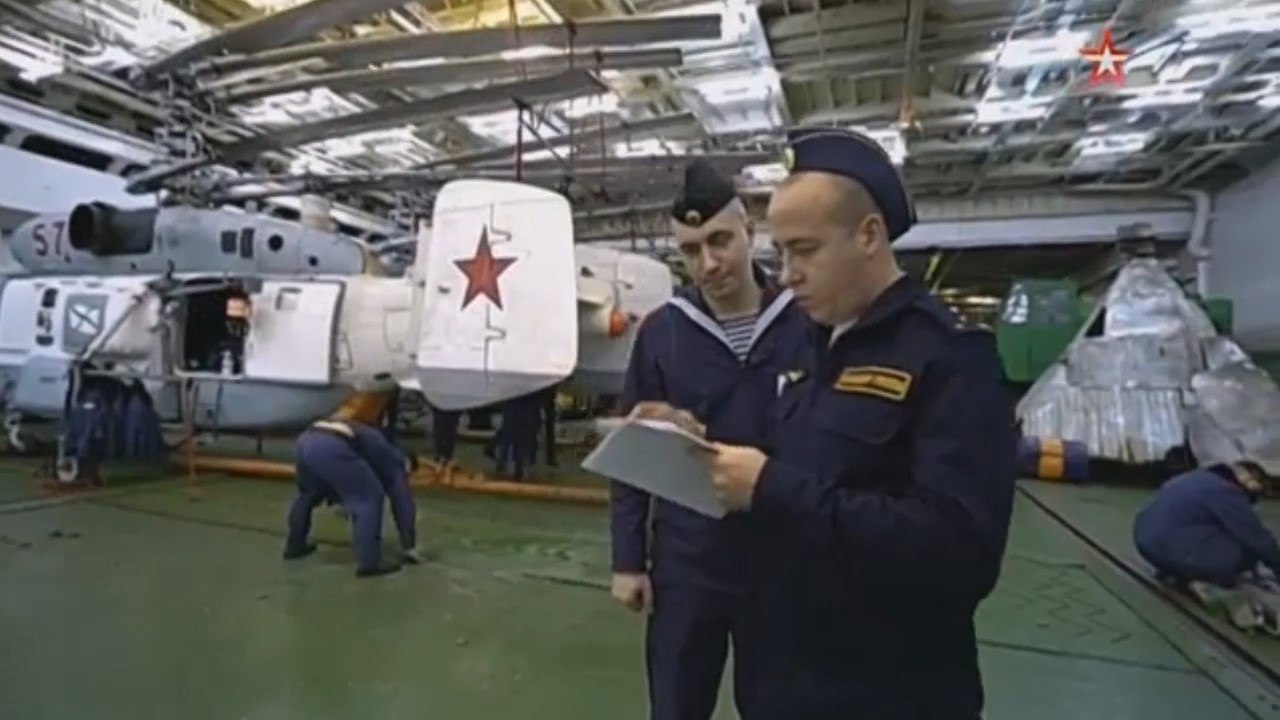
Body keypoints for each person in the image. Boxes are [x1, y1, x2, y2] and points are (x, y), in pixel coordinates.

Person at [691, 127, 1017, 719]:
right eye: (780, 252)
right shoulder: (805, 345)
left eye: (804, 250)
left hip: (882, 695)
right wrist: (689, 437)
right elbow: (786, 458)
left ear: (868, 235)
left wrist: (770, 489)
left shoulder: (949, 358)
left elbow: (959, 553)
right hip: (781, 686)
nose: (786, 274)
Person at [610, 159, 809, 720]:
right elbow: (632, 451)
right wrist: (628, 560)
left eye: (720, 241)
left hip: (783, 558)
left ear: (749, 230)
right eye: (691, 250)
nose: (708, 263)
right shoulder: (663, 332)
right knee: (676, 707)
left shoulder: (803, 321)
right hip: (688, 563)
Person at [283, 390, 421, 578]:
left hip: (307, 439)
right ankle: (370, 563)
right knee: (369, 498)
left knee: (308, 494)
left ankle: (295, 545)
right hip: (332, 444)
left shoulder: (374, 443)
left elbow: (345, 477)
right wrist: (409, 544)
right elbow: (402, 499)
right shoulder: (395, 460)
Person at [1134, 460, 1280, 589]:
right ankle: (1206, 576)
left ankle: (1176, 570)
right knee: (1246, 551)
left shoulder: (1193, 478)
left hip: (1147, 547)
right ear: (1248, 482)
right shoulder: (1226, 491)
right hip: (1176, 550)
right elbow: (1256, 537)